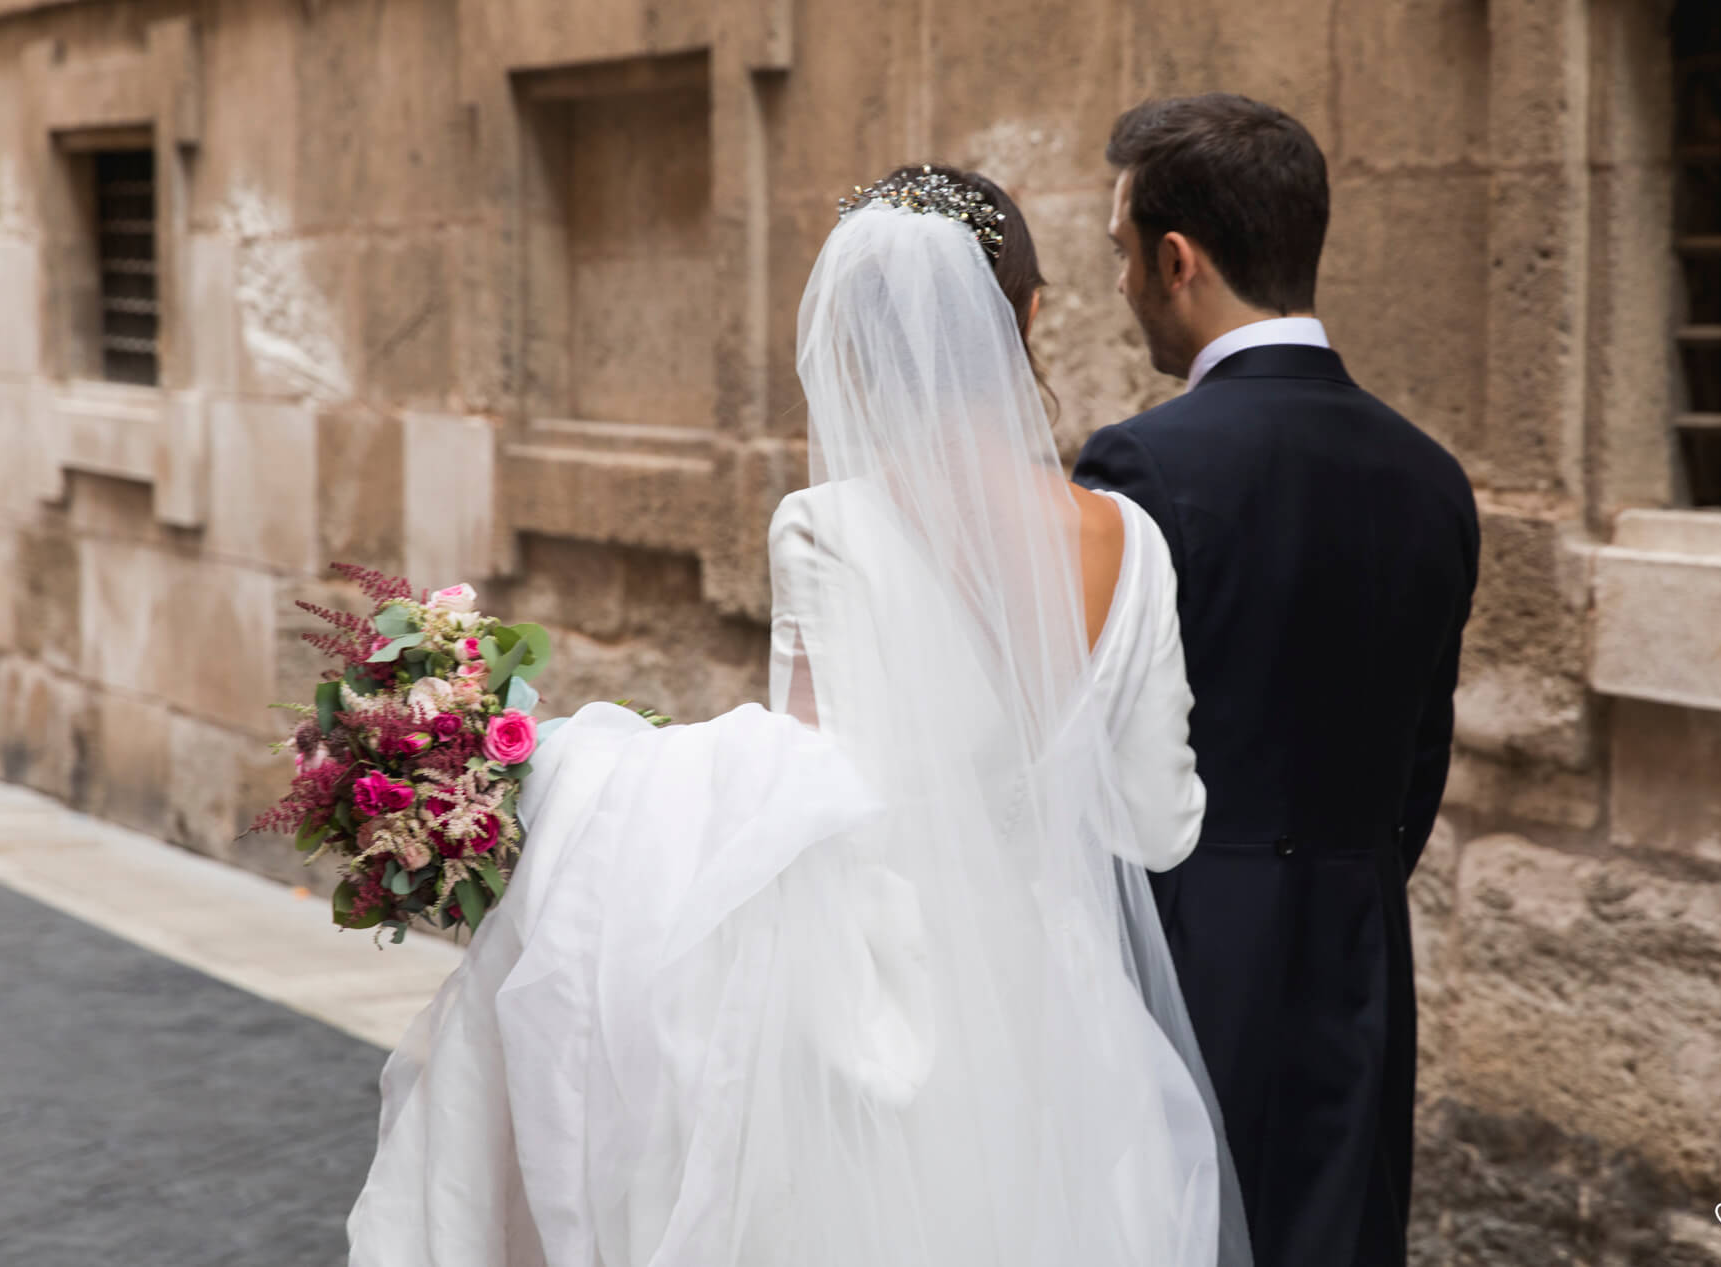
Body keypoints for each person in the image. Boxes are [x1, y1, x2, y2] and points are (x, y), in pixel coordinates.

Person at [346, 165, 1250, 1267]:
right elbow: (1159, 828)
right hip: (1064, 1025)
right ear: (1028, 313)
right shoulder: (1134, 542)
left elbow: (805, 792)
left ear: (854, 341)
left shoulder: (825, 526)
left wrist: (588, 783)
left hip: (881, 1003)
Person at [1074, 94, 1480, 1267]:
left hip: (1188, 943)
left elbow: (1111, 734)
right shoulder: (1432, 475)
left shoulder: (1142, 460)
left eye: (1120, 257)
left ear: (1176, 260)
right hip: (1360, 943)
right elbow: (1419, 760)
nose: (1118, 286)